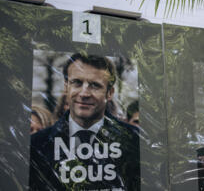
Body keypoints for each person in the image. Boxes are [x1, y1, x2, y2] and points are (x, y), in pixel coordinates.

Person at [29, 53, 140, 190]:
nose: (84, 93)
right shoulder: (36, 145)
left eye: (95, 85)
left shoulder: (136, 141)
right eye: (77, 83)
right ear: (66, 87)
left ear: (109, 93)